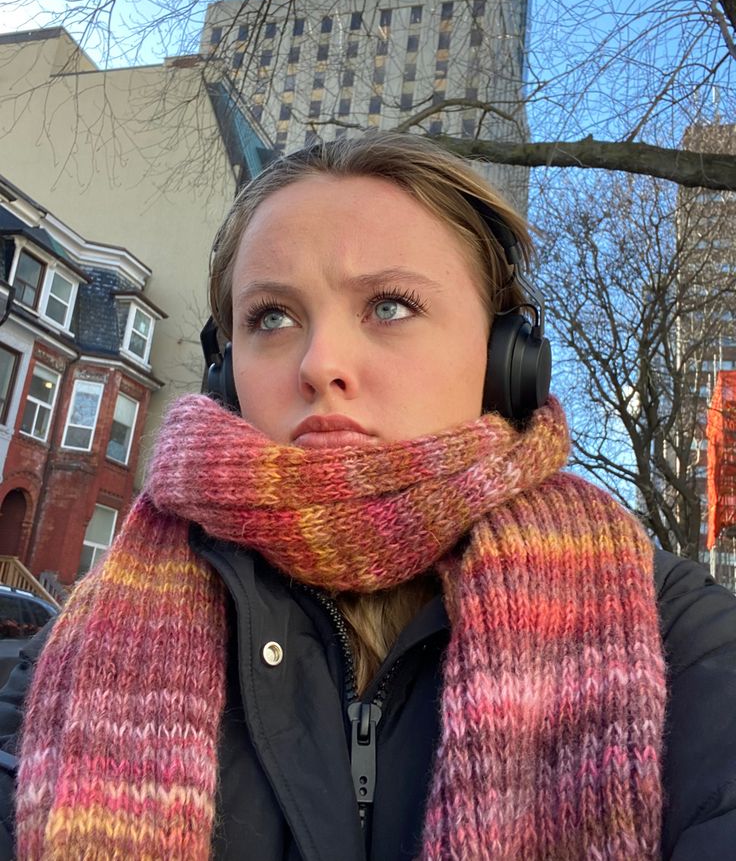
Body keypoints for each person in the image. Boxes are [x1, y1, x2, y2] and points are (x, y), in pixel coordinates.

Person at [1, 131, 735, 861]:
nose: (322, 364)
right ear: (223, 378)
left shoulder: (680, 637)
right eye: (272, 317)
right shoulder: (64, 664)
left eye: (389, 305)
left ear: (505, 357)